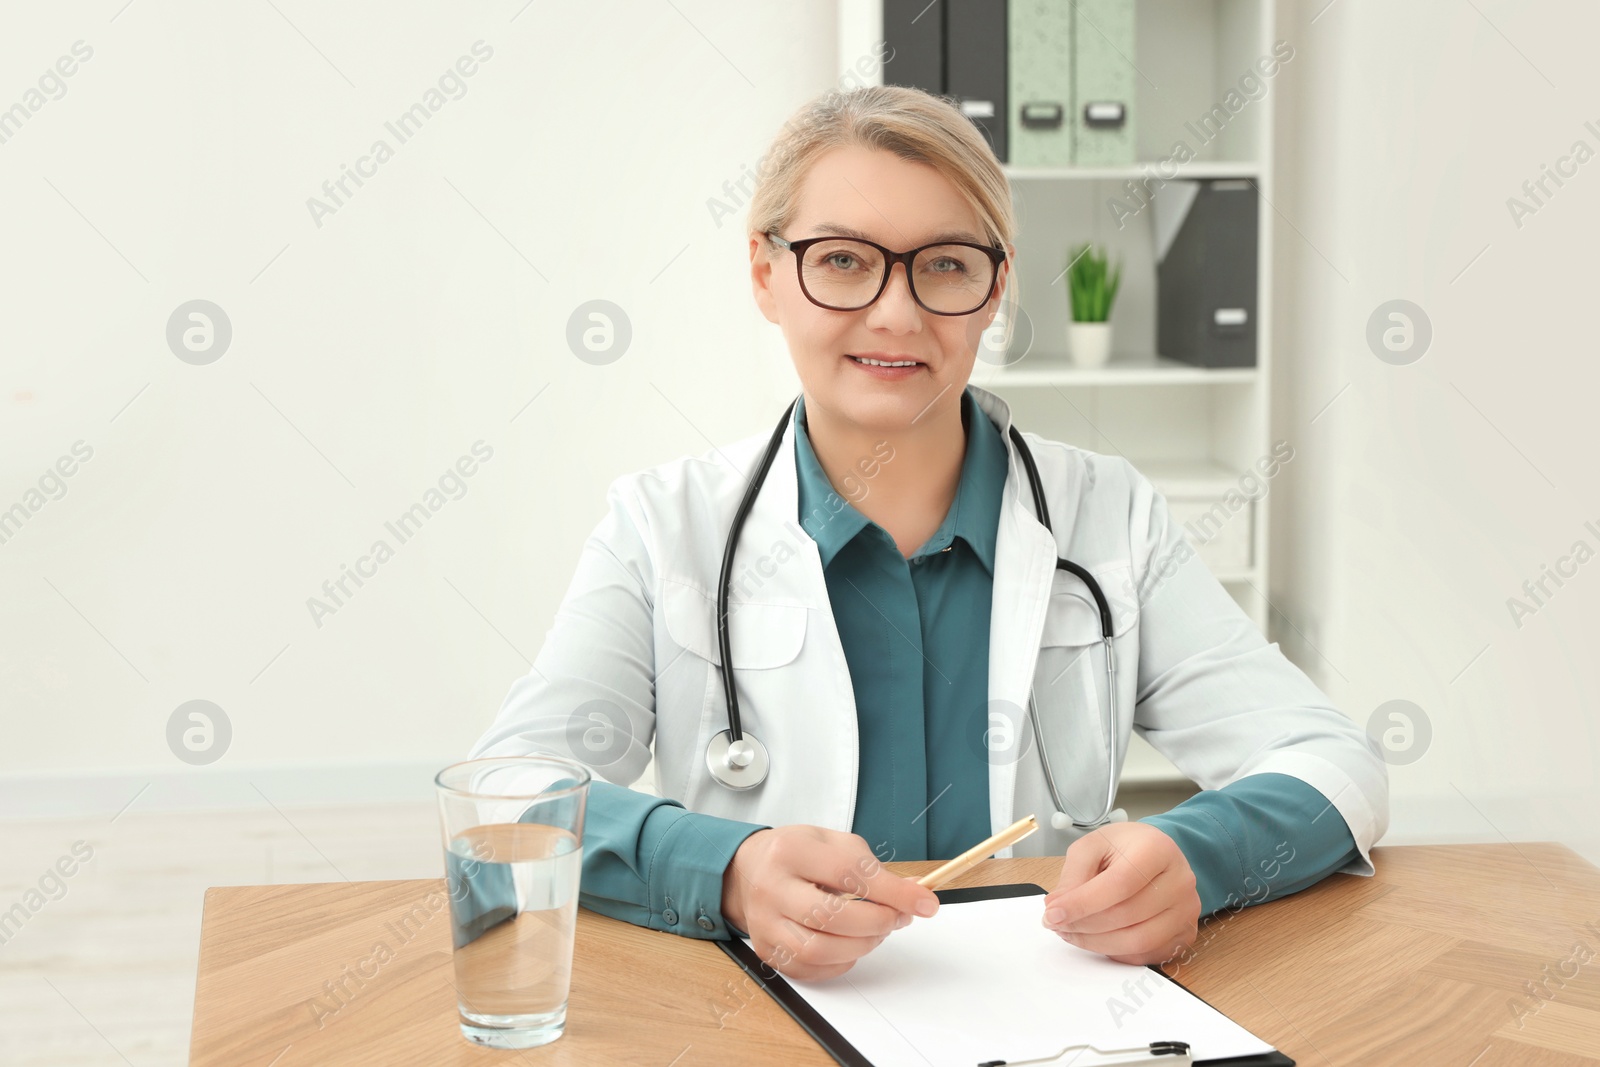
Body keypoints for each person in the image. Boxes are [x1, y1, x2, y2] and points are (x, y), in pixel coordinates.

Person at [470, 84, 1387, 983]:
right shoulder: (661, 527)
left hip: (1044, 1021)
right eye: (842, 260)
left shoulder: (1109, 514)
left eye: (945, 263)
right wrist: (726, 870)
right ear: (766, 274)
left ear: (996, 287)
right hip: (761, 1021)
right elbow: (505, 797)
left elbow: (1335, 764)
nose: (897, 313)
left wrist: (1200, 853)